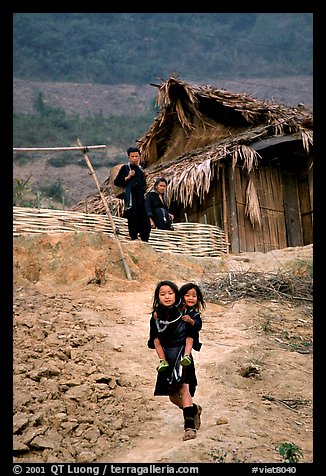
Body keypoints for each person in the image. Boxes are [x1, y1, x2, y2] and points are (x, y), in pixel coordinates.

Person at [147, 280, 202, 441]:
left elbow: (195, 327)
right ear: (157, 297)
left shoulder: (184, 312)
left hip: (182, 355)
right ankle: (193, 409)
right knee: (172, 394)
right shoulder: (156, 316)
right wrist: (161, 358)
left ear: (176, 295)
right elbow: (155, 338)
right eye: (162, 294)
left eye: (170, 293)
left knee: (184, 388)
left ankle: (189, 428)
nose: (167, 296)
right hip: (167, 357)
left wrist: (191, 322)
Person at [113, 147, 151, 242]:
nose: (135, 158)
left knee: (145, 220)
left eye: (136, 156)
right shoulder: (125, 168)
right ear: (129, 157)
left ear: (139, 157)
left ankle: (144, 239)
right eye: (132, 156)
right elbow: (117, 182)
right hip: (131, 197)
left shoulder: (140, 169)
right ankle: (134, 238)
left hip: (140, 197)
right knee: (133, 218)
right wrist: (128, 177)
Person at [179, 283, 205, 367]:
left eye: (194, 296)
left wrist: (191, 321)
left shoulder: (195, 313)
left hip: (188, 335)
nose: (191, 298)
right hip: (176, 337)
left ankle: (186, 356)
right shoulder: (177, 309)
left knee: (189, 338)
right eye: (187, 295)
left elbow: (198, 325)